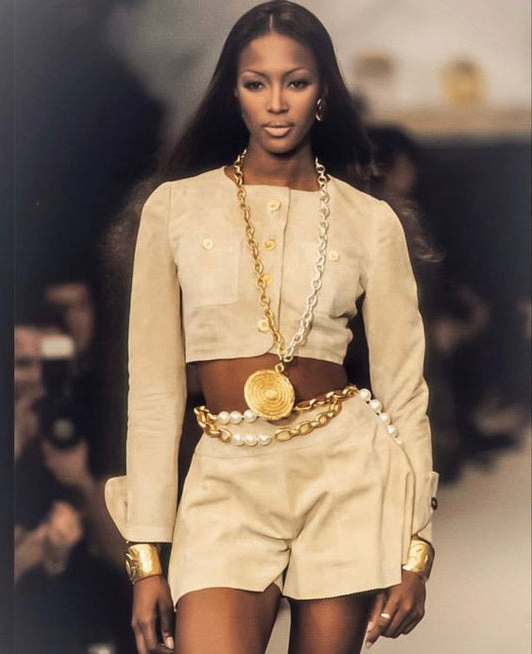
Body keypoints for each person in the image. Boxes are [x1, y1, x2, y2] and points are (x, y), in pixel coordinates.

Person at [104, 2, 439, 653]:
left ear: (322, 93)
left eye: (296, 81)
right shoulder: (175, 210)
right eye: (257, 83)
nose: (277, 102)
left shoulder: (369, 221)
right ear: (233, 93)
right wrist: (146, 555)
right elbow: (153, 394)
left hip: (344, 473)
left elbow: (404, 390)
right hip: (226, 474)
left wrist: (416, 546)